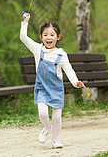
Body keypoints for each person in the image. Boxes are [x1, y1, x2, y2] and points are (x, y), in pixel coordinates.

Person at [20, 12, 86, 149]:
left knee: (57, 117)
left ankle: (56, 140)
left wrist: (75, 82)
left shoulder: (61, 54)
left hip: (56, 88)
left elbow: (69, 70)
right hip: (41, 87)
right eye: (45, 35)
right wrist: (25, 22)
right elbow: (23, 37)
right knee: (43, 113)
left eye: (52, 34)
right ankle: (46, 127)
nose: (48, 37)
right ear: (41, 37)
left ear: (58, 37)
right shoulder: (38, 49)